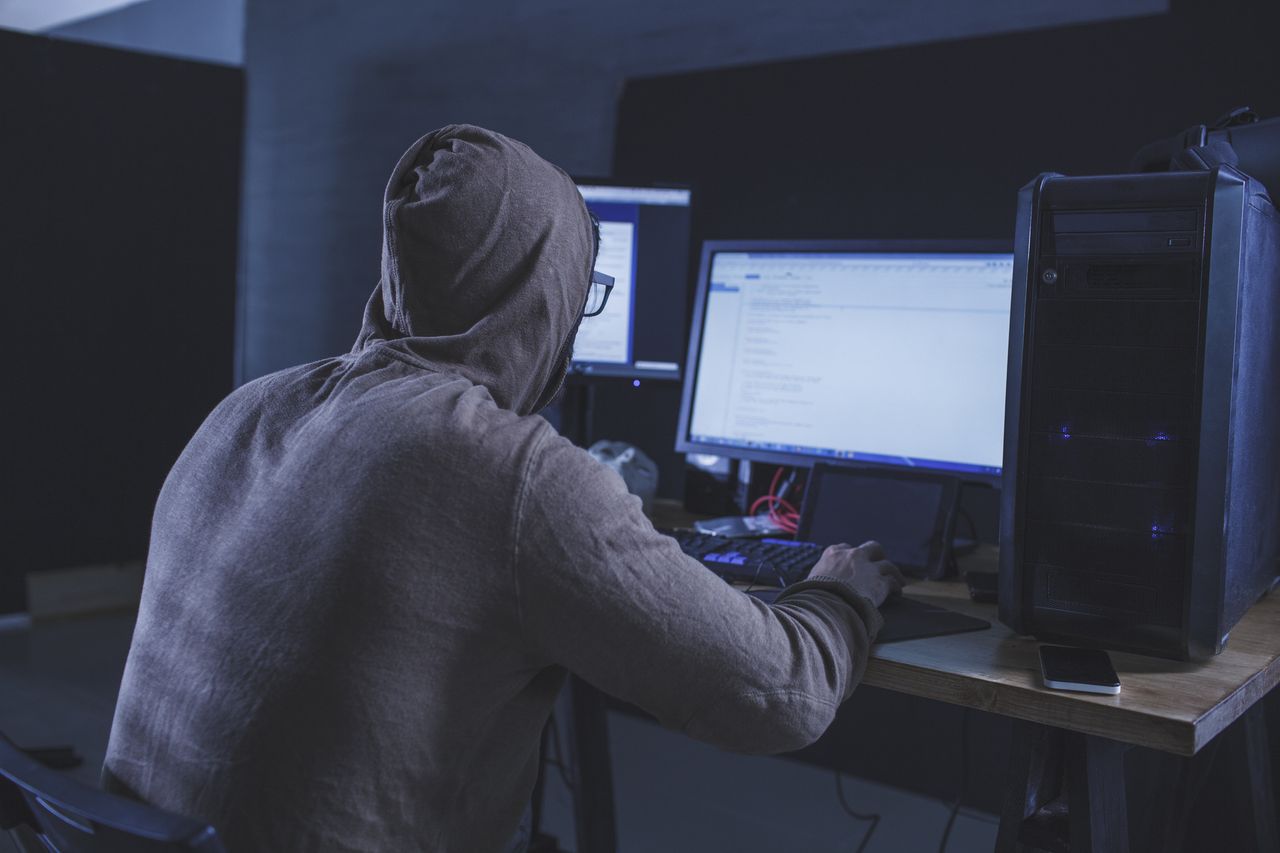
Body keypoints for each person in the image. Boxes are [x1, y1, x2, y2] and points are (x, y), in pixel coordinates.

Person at [103, 124, 905, 852]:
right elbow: (779, 695)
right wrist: (837, 596)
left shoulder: (248, 405)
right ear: (542, 289)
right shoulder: (512, 473)